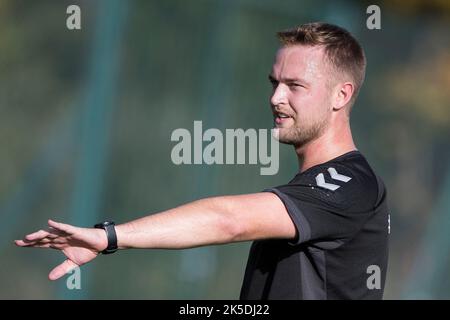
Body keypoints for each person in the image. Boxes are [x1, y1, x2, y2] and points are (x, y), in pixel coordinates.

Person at [15, 22, 389, 300]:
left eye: (295, 86)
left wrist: (109, 236)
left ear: (341, 95)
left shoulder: (351, 183)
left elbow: (230, 221)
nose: (276, 97)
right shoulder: (314, 189)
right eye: (274, 82)